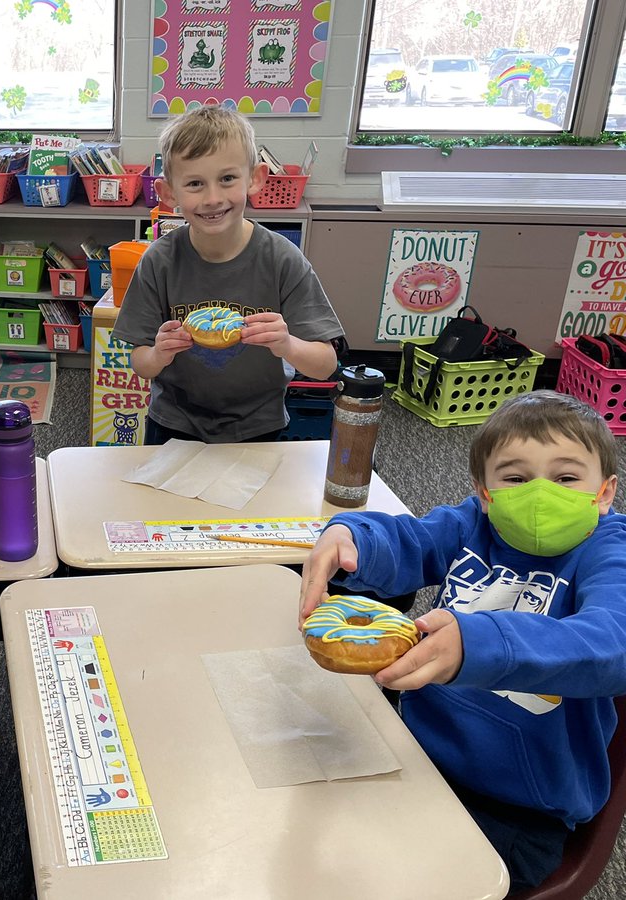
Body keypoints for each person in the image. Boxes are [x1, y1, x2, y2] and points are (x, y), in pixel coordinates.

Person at [299, 390, 626, 892]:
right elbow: (410, 540)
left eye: (565, 478)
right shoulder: (474, 523)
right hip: (415, 748)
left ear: (603, 493)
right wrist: (350, 536)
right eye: (516, 478)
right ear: (486, 491)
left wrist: (482, 644)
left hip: (517, 805)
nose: (541, 494)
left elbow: (612, 643)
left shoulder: (609, 551)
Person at [112, 106, 345, 444]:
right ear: (168, 193)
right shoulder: (159, 261)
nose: (212, 198)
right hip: (174, 422)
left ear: (255, 178)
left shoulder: (282, 260)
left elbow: (326, 365)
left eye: (227, 179)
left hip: (258, 425)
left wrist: (286, 344)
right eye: (194, 183)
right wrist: (158, 354)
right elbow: (141, 362)